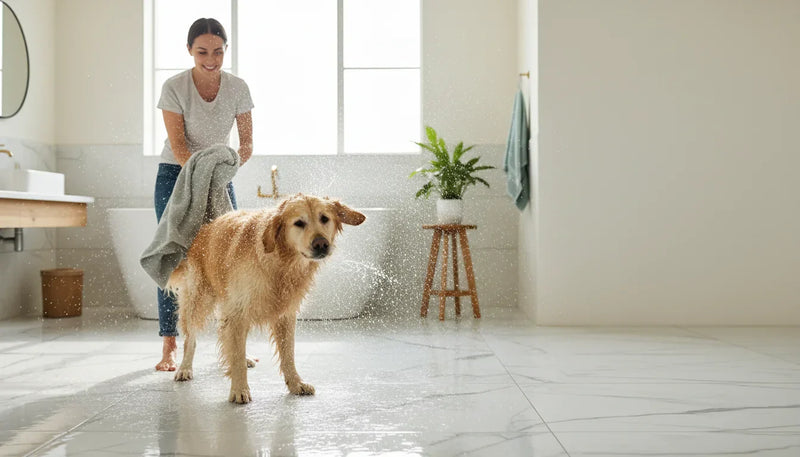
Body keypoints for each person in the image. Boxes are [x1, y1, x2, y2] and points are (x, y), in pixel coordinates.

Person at [154, 18, 254, 371]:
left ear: (225, 50)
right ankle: (169, 346)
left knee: (233, 257)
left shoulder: (238, 88)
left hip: (219, 176)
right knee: (176, 257)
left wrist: (222, 171)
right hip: (174, 175)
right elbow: (180, 147)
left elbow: (246, 145)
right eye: (202, 52)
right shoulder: (174, 87)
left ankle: (235, 341)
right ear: (189, 51)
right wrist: (202, 173)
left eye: (218, 51)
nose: (210, 59)